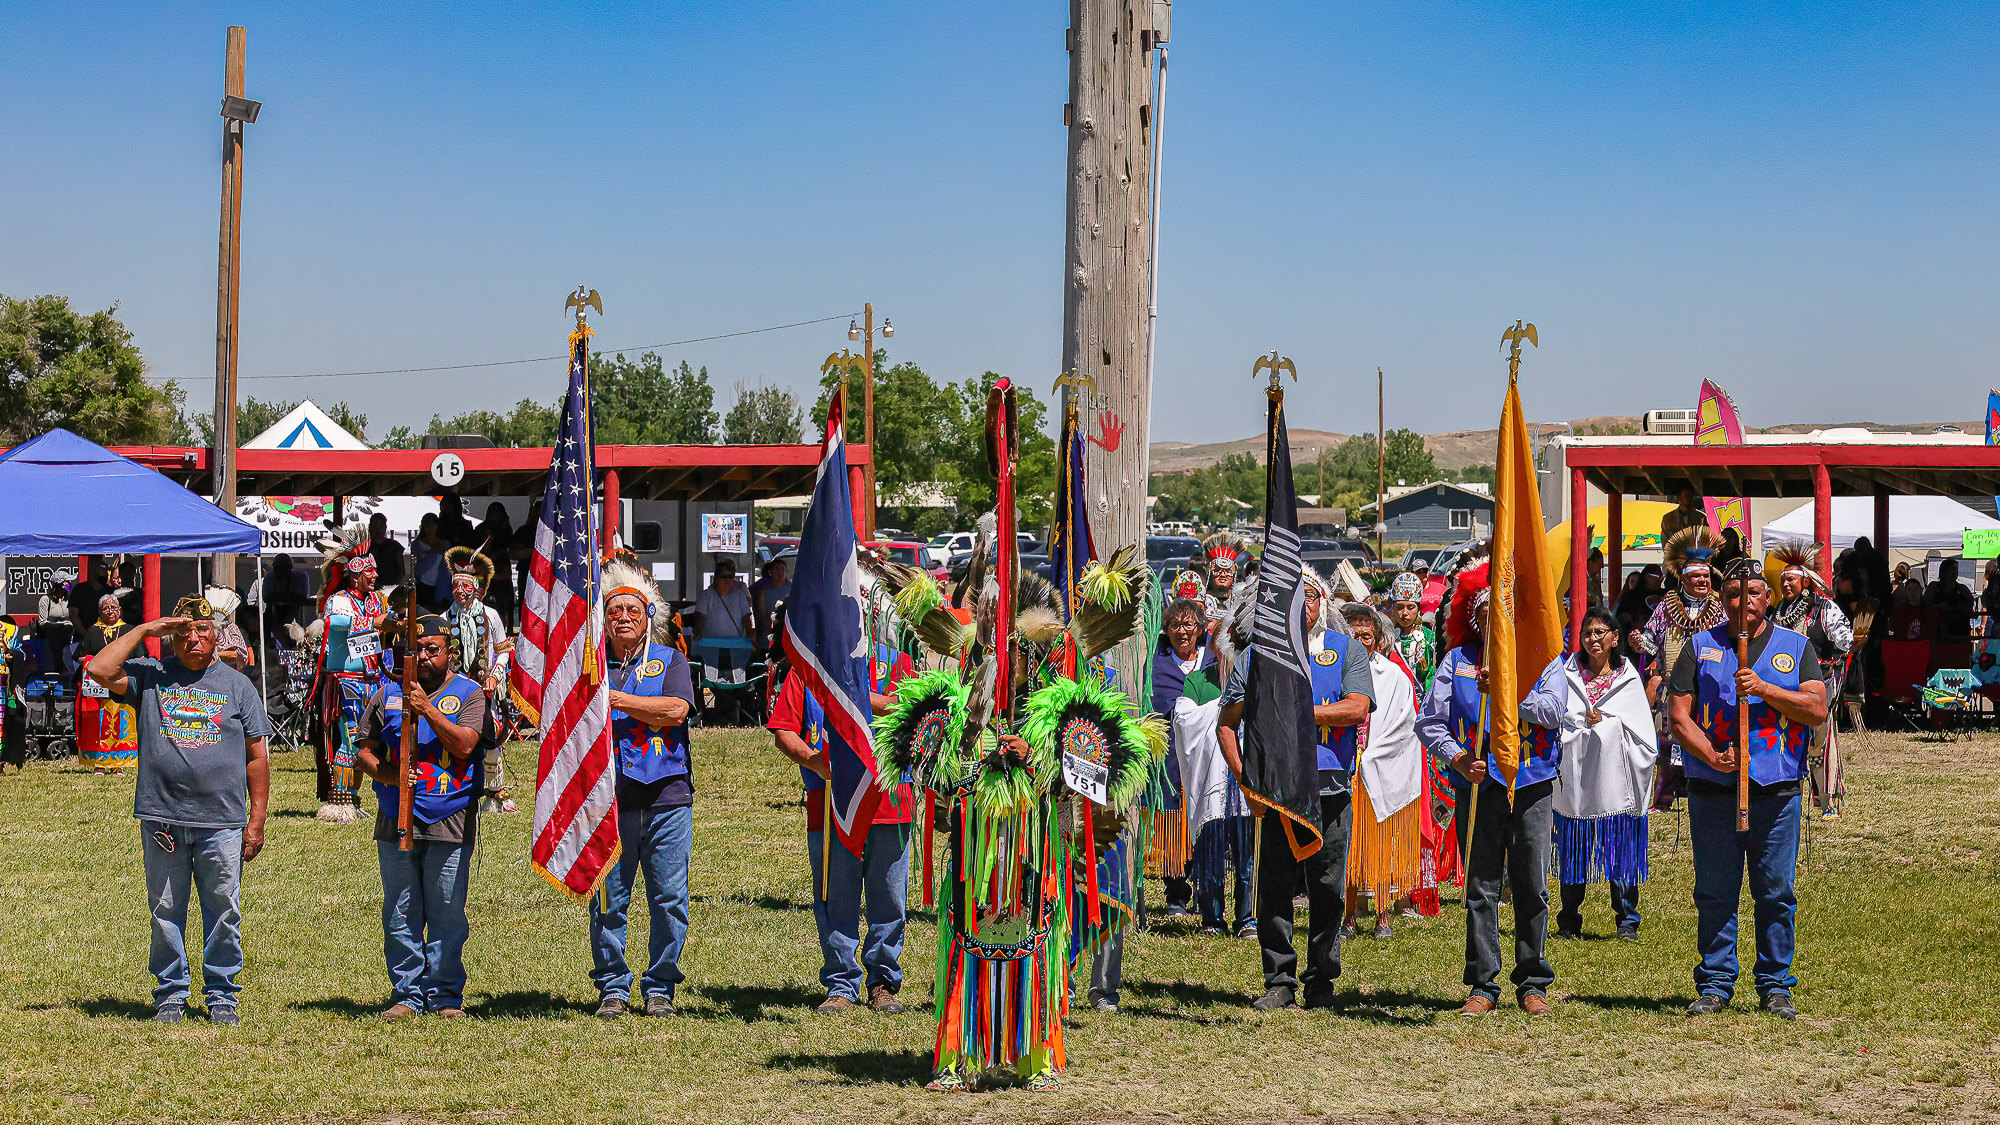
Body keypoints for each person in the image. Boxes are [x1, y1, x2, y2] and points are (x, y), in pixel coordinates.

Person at [86, 595, 271, 1025]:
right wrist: (145, 629)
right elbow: (98, 669)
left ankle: (222, 995)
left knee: (223, 910)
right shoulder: (151, 676)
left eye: (202, 630)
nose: (193, 639)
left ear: (216, 635)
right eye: (183, 631)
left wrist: (257, 819)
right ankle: (170, 994)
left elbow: (257, 756)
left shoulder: (237, 686)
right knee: (166, 910)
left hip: (221, 821)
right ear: (171, 637)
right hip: (163, 817)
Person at [1669, 559, 1826, 1020]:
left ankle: (1775, 985)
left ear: (1768, 598)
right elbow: (1678, 716)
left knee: (1775, 891)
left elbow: (1816, 708)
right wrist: (1712, 756)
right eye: (1735, 594)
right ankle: (1715, 983)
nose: (1744, 602)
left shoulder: (1795, 647)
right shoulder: (1700, 647)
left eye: (1753, 592)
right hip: (1714, 789)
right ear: (1722, 600)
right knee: (1715, 891)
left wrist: (1764, 689)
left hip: (1776, 790)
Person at [1415, 553, 1568, 1016]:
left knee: (1531, 883)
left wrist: (1506, 692)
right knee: (1481, 884)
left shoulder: (1543, 659)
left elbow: (1553, 712)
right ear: (1474, 619)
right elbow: (1429, 722)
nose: (1493, 621)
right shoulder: (1456, 662)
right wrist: (1459, 759)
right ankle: (1483, 984)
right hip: (1479, 786)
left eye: (1501, 613)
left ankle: (1533, 982)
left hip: (1531, 780)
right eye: (1485, 614)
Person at [1216, 566, 1374, 1011]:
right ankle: (1280, 980)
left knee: (1328, 887)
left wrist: (1299, 710)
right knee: (1274, 885)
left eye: (1312, 596)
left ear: (1323, 604)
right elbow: (1226, 724)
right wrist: (1246, 779)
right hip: (1276, 793)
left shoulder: (1346, 649)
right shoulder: (1257, 655)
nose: (1305, 604)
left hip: (1330, 789)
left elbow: (1357, 708)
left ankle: (1321, 979)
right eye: (1295, 596)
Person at [355, 614, 493, 1020]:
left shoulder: (469, 694)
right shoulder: (386, 695)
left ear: (450, 652)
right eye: (417, 650)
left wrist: (427, 709)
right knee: (401, 909)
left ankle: (445, 995)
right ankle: (406, 995)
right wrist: (389, 775)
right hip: (395, 814)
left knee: (446, 909)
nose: (424, 657)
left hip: (450, 814)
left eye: (433, 649)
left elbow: (466, 745)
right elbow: (364, 750)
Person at [767, 646, 915, 1015]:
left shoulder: (900, 663)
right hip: (831, 800)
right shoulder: (808, 665)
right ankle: (841, 983)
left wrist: (853, 698)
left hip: (890, 799)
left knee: (889, 898)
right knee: (835, 897)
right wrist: (814, 761)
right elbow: (783, 729)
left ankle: (882, 982)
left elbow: (916, 713)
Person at [591, 560, 697, 1019]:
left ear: (648, 615)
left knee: (669, 898)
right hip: (609, 800)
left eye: (633, 610)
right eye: (615, 611)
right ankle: (613, 987)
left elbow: (675, 710)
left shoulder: (671, 660)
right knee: (609, 899)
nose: (623, 618)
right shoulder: (591, 666)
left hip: (667, 796)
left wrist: (617, 700)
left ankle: (660, 987)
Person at [1553, 608, 1658, 941]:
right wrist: (1581, 724)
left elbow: (1642, 733)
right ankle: (1569, 919)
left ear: (1615, 638)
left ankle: (1627, 920)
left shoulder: (1627, 679)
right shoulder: (1567, 675)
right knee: (1575, 845)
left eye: (1600, 632)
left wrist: (1607, 724)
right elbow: (1558, 716)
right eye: (1587, 632)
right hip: (1578, 772)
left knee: (1620, 846)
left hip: (1617, 777)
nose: (1593, 638)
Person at [1340, 601, 1425, 940]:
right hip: (1345, 770)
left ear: (1378, 640)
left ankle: (1383, 916)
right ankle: (1347, 916)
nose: (1361, 641)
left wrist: (1372, 755)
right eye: (1354, 635)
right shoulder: (1334, 670)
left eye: (1367, 636)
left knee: (1380, 845)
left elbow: (1405, 723)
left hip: (1379, 769)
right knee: (1347, 845)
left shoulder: (1393, 677)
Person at [1638, 527, 1726, 808]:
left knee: (1707, 733)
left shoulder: (1719, 606)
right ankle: (1666, 794)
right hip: (1673, 685)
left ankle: (1705, 786)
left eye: (1706, 576)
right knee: (1671, 735)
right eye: (1696, 576)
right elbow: (1651, 639)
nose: (1702, 581)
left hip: (1709, 687)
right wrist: (1640, 642)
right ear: (1684, 579)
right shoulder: (1667, 606)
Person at [1768, 542, 1853, 817]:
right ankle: (1785, 795)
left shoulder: (1823, 608)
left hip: (1819, 684)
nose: (1785, 584)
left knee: (1820, 743)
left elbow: (1846, 640)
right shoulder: (1777, 611)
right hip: (1784, 687)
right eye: (1783, 580)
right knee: (1785, 739)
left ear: (1805, 581)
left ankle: (1828, 801)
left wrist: (1830, 663)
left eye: (1791, 579)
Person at [314, 526, 392, 823]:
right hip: (345, 681)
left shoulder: (374, 600)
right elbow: (334, 623)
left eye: (375, 571)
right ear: (355, 574)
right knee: (349, 738)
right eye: (369, 571)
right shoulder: (340, 600)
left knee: (368, 739)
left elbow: (383, 623)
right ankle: (340, 801)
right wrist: (374, 623)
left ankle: (354, 798)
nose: (375, 575)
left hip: (372, 679)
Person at [1147, 598, 1212, 920]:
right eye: (1175, 625)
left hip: (1208, 758)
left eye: (1189, 625)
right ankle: (1176, 892)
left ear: (1200, 629)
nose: (1182, 632)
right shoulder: (1155, 663)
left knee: (1207, 821)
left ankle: (1207, 891)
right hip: (1170, 760)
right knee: (1172, 824)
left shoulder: (1213, 660)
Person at [444, 547, 515, 813]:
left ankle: (496, 794)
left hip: (486, 688)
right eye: (456, 587)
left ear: (475, 588)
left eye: (465, 587)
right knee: (456, 737)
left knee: (490, 737)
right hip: (457, 689)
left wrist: (495, 676)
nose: (460, 592)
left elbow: (504, 651)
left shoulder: (491, 615)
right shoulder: (445, 618)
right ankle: (458, 788)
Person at [76, 593, 138, 774]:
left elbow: (141, 656)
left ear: (120, 610)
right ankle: (100, 764)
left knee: (121, 724)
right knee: (99, 725)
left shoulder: (129, 631)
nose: (110, 611)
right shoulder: (92, 631)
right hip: (98, 689)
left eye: (114, 607)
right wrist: (94, 662)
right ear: (99, 611)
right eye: (106, 608)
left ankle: (118, 764)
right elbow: (79, 657)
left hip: (121, 684)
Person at [1388, 572, 1437, 689]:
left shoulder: (1429, 637)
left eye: (1410, 607)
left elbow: (1432, 672)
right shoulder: (1387, 637)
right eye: (1400, 607)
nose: (1405, 613)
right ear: (1393, 609)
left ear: (1418, 609)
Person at [473, 503, 516, 626]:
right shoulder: (481, 530)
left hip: (501, 572)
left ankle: (504, 628)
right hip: (484, 574)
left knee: (504, 603)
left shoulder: (504, 530)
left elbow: (509, 547)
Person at [256, 554, 310, 647]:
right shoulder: (270, 576)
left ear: (291, 567)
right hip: (274, 614)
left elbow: (302, 597)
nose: (282, 572)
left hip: (295, 612)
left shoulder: (300, 576)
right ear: (274, 568)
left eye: (285, 568)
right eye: (279, 569)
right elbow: (267, 597)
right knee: (266, 623)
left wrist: (279, 596)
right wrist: (290, 596)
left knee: (296, 637)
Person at [203, 587, 255, 671]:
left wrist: (214, 654)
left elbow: (236, 654)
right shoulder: (204, 628)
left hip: (230, 670)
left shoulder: (231, 628)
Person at [748, 558, 791, 655]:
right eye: (777, 569)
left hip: (788, 636)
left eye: (783, 569)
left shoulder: (793, 589)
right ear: (770, 572)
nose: (780, 572)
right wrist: (774, 628)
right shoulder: (764, 592)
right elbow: (762, 616)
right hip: (768, 637)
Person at [1926, 558, 1975, 642]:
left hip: (1960, 631)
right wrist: (1940, 607)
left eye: (1956, 569)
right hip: (1938, 632)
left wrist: (1959, 607)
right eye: (1952, 569)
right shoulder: (1934, 587)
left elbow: (1970, 606)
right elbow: (1925, 605)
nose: (1955, 572)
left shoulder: (1962, 589)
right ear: (1944, 571)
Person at [35, 572, 73, 679]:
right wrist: (59, 627)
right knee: (56, 641)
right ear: (59, 584)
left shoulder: (70, 599)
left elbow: (73, 616)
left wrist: (69, 626)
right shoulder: (46, 600)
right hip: (51, 634)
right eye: (67, 582)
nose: (70, 584)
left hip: (68, 633)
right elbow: (42, 622)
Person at [410, 514, 450, 613]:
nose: (430, 528)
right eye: (427, 524)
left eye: (433, 525)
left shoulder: (444, 544)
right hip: (421, 586)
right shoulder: (416, 545)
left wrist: (442, 595)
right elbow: (417, 569)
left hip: (439, 587)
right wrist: (432, 553)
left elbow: (446, 571)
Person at [367, 513, 407, 591]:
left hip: (390, 589)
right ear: (369, 527)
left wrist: (394, 587)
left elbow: (403, 570)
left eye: (380, 526)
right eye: (374, 526)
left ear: (385, 527)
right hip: (369, 589)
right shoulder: (363, 547)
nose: (377, 530)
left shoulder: (395, 546)